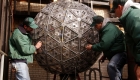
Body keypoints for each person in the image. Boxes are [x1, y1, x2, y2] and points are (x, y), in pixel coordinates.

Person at [85, 15, 127, 80]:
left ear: (101, 23)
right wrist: (105, 55)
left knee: (112, 66)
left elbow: (104, 45)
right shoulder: (105, 29)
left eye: (96, 25)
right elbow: (111, 44)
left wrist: (92, 47)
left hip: (120, 54)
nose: (95, 28)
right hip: (116, 54)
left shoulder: (109, 29)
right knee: (116, 73)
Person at [111, 0, 140, 79]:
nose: (115, 14)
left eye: (114, 10)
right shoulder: (132, 15)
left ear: (120, 7)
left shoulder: (133, 17)